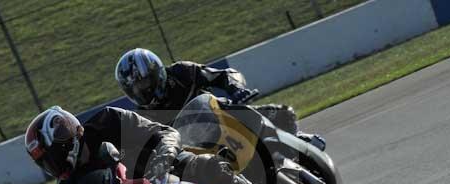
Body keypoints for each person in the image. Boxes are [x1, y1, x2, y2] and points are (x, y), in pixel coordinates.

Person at [24, 106, 286, 184]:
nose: (51, 166)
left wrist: (163, 158)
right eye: (44, 162)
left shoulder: (110, 120)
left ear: (63, 143)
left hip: (163, 170)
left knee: (203, 166)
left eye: (50, 157)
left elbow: (165, 133)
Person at [114, 48, 323, 149]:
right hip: (199, 152)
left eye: (144, 84)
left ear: (156, 73)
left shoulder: (181, 72)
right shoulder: (144, 117)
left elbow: (223, 75)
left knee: (282, 114)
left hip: (224, 118)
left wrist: (235, 88)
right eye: (135, 88)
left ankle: (298, 141)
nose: (143, 91)